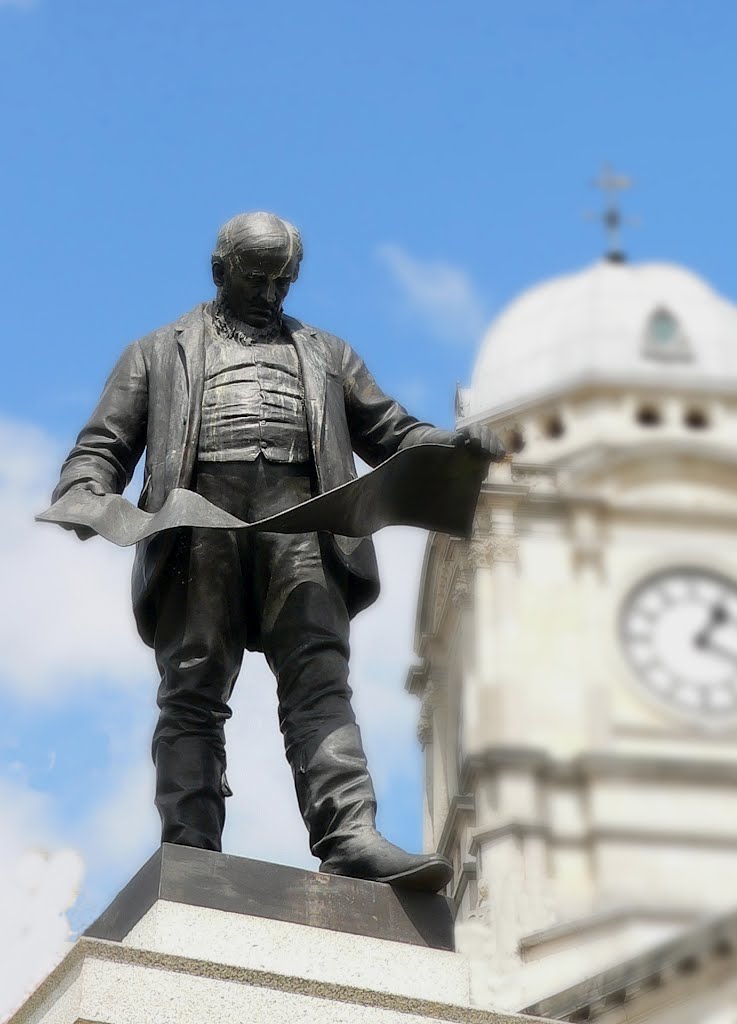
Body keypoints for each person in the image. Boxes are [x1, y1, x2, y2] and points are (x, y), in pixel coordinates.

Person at [52, 212, 505, 892]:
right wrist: (87, 494)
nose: (268, 293)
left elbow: (389, 429)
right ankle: (191, 843)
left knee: (320, 680)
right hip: (196, 527)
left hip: (306, 522)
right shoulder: (156, 350)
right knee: (193, 690)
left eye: (281, 280)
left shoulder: (327, 352)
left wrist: (449, 444)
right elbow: (103, 446)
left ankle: (349, 834)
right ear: (221, 269)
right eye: (255, 277)